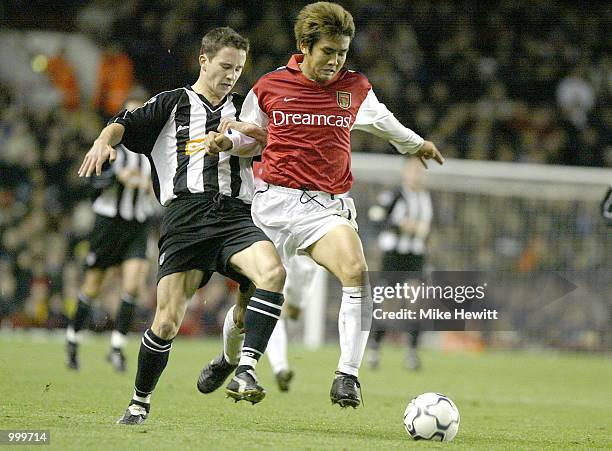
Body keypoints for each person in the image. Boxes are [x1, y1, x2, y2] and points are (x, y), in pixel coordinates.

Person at [200, 2, 443, 408]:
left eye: (342, 53)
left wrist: (418, 144)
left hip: (324, 208)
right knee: (246, 306)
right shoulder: (269, 87)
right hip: (273, 205)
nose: (335, 61)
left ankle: (347, 376)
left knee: (357, 272)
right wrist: (229, 142)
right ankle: (229, 358)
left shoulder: (355, 88)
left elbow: (385, 122)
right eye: (328, 51)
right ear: (304, 46)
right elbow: (250, 136)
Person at [78, 27, 287, 425]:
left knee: (273, 273)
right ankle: (140, 402)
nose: (231, 75)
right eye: (225, 66)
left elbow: (271, 142)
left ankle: (243, 368)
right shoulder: (173, 103)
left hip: (235, 216)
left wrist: (247, 135)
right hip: (186, 219)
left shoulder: (245, 108)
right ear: (204, 60)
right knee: (167, 320)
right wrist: (104, 140)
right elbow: (124, 121)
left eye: (238, 69)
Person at [66, 96, 156, 373]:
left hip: (137, 224)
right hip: (108, 224)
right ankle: (73, 339)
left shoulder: (151, 150)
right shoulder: (109, 145)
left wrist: (151, 187)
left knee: (133, 286)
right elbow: (91, 181)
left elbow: (160, 186)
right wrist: (117, 177)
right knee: (93, 285)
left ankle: (117, 347)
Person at [366, 156, 433, 370]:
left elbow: (429, 227)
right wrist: (401, 225)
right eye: (413, 170)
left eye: (420, 170)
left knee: (416, 302)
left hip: (415, 257)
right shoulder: (394, 194)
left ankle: (411, 353)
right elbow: (376, 216)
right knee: (388, 306)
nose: (417, 174)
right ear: (405, 172)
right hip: (394, 256)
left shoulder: (427, 198)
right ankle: (375, 350)